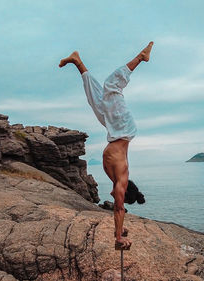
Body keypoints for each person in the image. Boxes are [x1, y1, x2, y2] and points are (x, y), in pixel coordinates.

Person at [59, 41, 153, 250]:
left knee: (96, 100)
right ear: (124, 192)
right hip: (124, 129)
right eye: (121, 197)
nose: (112, 196)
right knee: (112, 85)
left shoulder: (116, 180)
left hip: (114, 130)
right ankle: (141, 57)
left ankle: (77, 61)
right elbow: (119, 209)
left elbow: (119, 212)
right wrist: (119, 239)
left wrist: (120, 230)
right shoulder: (121, 179)